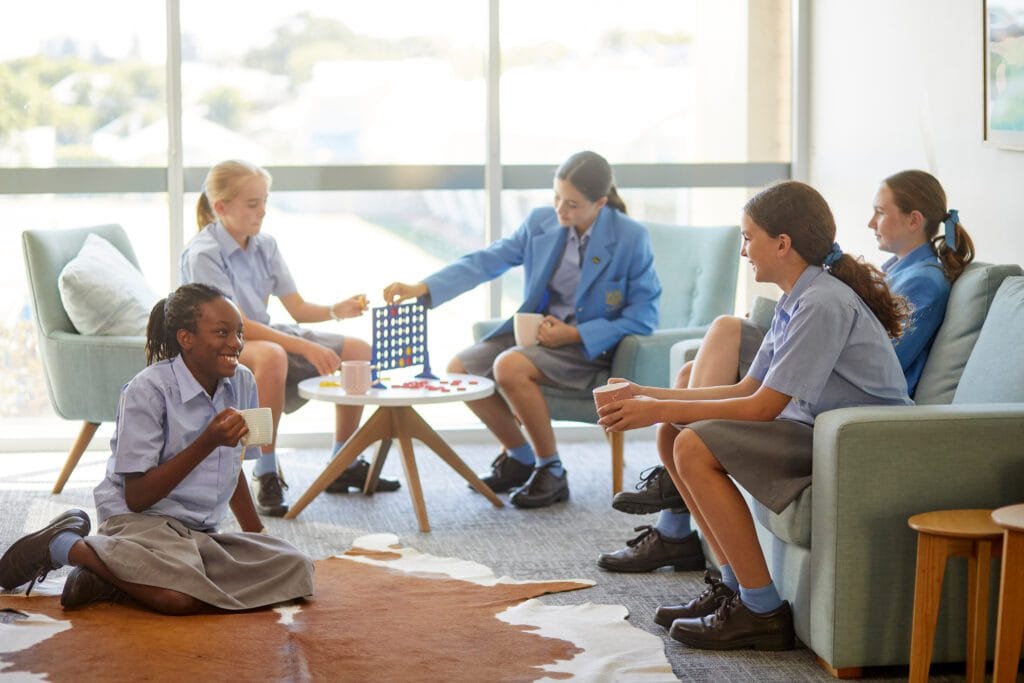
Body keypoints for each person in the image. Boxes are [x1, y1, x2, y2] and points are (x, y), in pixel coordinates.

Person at [597, 169, 975, 574]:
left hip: (853, 436)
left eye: (748, 238)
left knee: (690, 443)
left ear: (782, 244)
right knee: (681, 430)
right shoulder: (798, 297)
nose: (743, 251)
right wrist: (646, 394)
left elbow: (762, 405)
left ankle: (757, 606)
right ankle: (729, 586)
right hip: (815, 419)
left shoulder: (825, 302)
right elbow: (747, 387)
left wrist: (656, 409)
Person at [0, 284, 313, 614]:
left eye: (239, 332)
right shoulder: (147, 390)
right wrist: (207, 441)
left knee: (296, 566)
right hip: (141, 523)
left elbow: (232, 471)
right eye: (222, 333)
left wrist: (259, 537)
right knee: (176, 597)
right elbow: (137, 497)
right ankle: (63, 546)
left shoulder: (243, 382)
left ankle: (110, 578)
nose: (235, 343)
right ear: (186, 338)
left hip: (199, 534)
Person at [382, 151, 660, 508]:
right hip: (535, 338)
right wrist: (423, 287)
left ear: (600, 203)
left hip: (589, 348)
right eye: (556, 197)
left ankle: (552, 470)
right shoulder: (541, 221)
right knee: (461, 370)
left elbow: (643, 316)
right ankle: (520, 458)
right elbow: (487, 261)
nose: (561, 210)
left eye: (572, 204)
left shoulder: (630, 237)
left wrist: (574, 334)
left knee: (509, 365)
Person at [180, 159, 399, 518]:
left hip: (261, 335)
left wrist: (334, 310)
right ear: (221, 208)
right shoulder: (204, 254)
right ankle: (265, 469)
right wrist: (305, 346)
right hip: (219, 343)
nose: (263, 211)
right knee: (272, 356)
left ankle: (341, 462)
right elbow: (234, 326)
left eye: (264, 201)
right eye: (253, 204)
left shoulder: (265, 245)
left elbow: (297, 309)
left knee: (359, 350)